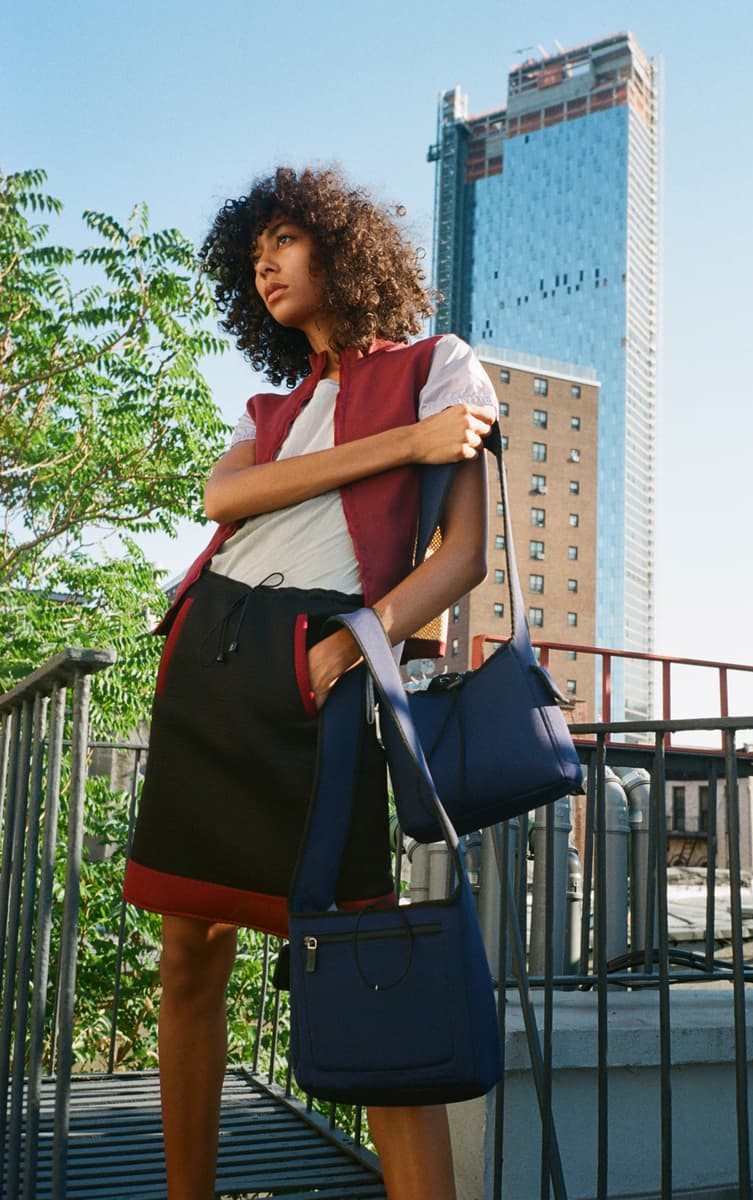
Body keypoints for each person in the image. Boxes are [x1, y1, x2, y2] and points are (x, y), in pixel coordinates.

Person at [123, 165, 497, 1200]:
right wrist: (398, 446)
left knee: (365, 955)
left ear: (343, 246)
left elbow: (459, 558)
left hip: (318, 664)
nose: (268, 263)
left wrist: (357, 644)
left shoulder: (438, 364)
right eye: (255, 255)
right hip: (208, 657)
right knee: (186, 953)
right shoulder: (271, 406)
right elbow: (223, 494)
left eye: (285, 239)